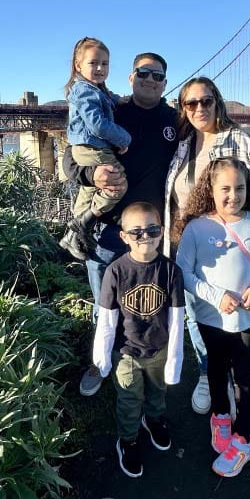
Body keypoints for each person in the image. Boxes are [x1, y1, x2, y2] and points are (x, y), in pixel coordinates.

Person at [62, 52, 179, 397]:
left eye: (157, 75)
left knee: (150, 303)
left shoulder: (176, 119)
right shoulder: (113, 111)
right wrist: (89, 173)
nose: (150, 79)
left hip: (152, 235)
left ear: (164, 83)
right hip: (110, 228)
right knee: (104, 303)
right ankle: (100, 364)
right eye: (143, 73)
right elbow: (71, 156)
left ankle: (146, 360)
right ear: (131, 78)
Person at [163, 76, 250, 416]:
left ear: (218, 102)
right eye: (191, 103)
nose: (199, 108)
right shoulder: (183, 144)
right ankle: (207, 372)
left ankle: (230, 378)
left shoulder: (241, 142)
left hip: (230, 252)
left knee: (233, 324)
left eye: (206, 101)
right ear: (183, 109)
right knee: (197, 314)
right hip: (186, 245)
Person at [175, 158, 250, 477]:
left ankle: (243, 439)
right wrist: (215, 296)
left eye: (240, 188)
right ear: (210, 189)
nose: (232, 196)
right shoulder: (197, 228)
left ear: (248, 190)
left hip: (248, 320)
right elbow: (183, 271)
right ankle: (220, 415)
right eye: (225, 188)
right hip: (211, 319)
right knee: (217, 370)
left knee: (244, 378)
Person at [92, 202, 185, 478]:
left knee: (158, 392)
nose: (145, 237)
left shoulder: (171, 271)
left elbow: (177, 319)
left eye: (152, 229)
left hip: (159, 349)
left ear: (162, 232)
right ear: (123, 237)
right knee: (129, 399)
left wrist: (174, 361)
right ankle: (128, 440)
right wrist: (103, 359)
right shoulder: (115, 271)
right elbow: (106, 320)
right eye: (136, 232)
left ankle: (154, 420)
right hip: (127, 352)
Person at [59, 38, 131, 261]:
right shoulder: (84, 90)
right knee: (117, 185)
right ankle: (82, 224)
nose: (100, 68)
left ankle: (72, 234)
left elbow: (110, 99)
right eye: (93, 63)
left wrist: (125, 100)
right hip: (93, 147)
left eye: (105, 63)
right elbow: (97, 124)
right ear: (78, 66)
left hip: (87, 147)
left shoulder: (94, 89)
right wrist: (124, 138)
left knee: (90, 190)